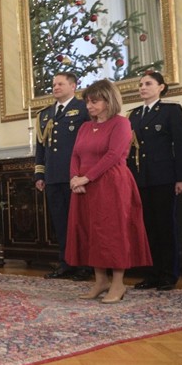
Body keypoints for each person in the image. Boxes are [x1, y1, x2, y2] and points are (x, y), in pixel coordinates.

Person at [66, 79, 151, 303]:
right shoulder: (85, 127)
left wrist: (86, 177)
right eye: (87, 102)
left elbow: (113, 155)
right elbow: (75, 154)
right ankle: (100, 281)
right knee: (91, 232)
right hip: (84, 187)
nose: (89, 106)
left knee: (112, 233)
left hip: (111, 184)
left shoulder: (121, 123)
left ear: (109, 100)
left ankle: (118, 284)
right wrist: (74, 178)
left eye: (94, 101)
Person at [127, 72, 182, 291]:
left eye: (148, 84)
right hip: (140, 178)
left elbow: (180, 145)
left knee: (165, 226)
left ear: (161, 87)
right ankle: (151, 273)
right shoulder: (134, 115)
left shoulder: (170, 111)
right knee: (147, 227)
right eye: (140, 84)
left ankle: (168, 274)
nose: (142, 87)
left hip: (163, 177)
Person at [34, 72, 91, 280]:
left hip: (76, 176)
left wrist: (84, 174)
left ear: (73, 86)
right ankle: (66, 264)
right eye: (54, 84)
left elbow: (89, 143)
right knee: (60, 223)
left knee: (79, 223)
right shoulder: (45, 114)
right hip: (53, 176)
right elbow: (41, 147)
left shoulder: (83, 108)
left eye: (60, 84)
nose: (56, 87)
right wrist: (39, 174)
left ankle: (85, 265)